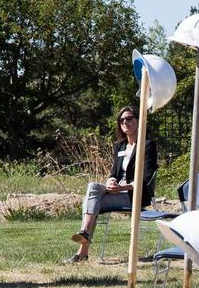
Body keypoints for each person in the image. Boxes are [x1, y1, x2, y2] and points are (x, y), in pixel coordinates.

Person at [63, 105, 157, 263]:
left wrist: (123, 187)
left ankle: (83, 250)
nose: (125, 122)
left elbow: (146, 179)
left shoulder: (147, 145)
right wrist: (111, 181)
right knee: (93, 188)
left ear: (138, 121)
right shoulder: (119, 146)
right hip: (117, 190)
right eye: (121, 120)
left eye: (129, 119)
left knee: (92, 202)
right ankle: (84, 233)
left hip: (134, 193)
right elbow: (114, 173)